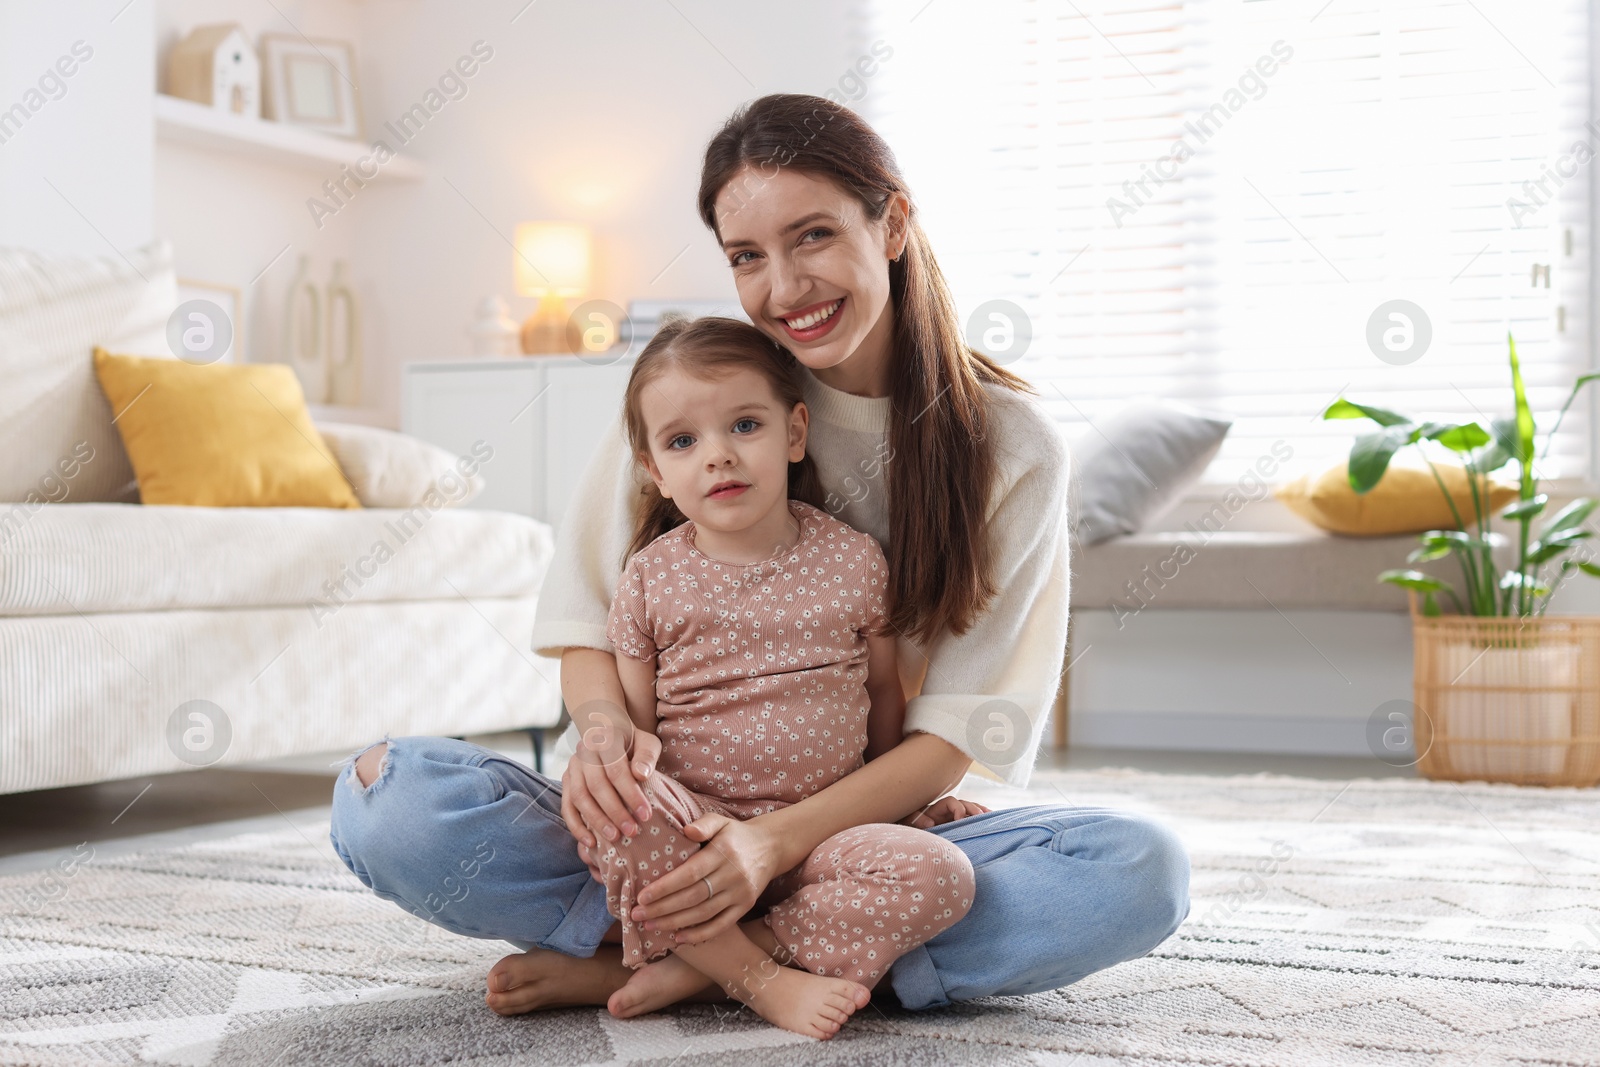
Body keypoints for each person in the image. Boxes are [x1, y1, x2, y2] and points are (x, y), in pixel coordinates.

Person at [328, 92, 1190, 1019]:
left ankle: (680, 961)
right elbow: (588, 629)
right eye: (747, 256)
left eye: (813, 235)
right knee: (387, 800)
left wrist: (770, 846)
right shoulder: (700, 397)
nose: (784, 288)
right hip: (670, 826)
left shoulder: (1011, 445)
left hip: (861, 838)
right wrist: (607, 739)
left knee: (1138, 871)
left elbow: (951, 738)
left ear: (892, 222)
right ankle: (781, 947)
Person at [586, 314, 974, 1038]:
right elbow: (638, 739)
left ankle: (693, 969)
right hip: (696, 839)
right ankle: (759, 980)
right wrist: (627, 788)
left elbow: (884, 700)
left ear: (795, 433)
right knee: (622, 802)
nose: (718, 457)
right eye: (682, 441)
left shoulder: (855, 560)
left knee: (945, 874)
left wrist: (903, 809)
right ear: (653, 470)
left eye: (744, 425)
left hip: (826, 840)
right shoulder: (649, 577)